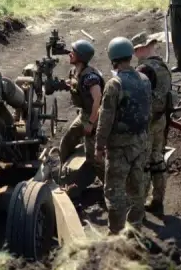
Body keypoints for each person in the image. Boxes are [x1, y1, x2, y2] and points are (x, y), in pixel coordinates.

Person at [95, 37, 152, 234]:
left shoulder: (114, 84)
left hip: (119, 148)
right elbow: (148, 110)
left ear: (113, 59)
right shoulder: (144, 79)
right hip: (140, 142)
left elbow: (105, 119)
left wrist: (99, 146)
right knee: (137, 188)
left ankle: (116, 233)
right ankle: (135, 229)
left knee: (115, 191)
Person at [131, 32, 172, 218]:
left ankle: (138, 203)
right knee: (158, 159)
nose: (135, 54)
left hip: (146, 122)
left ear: (142, 48)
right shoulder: (164, 66)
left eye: (136, 50)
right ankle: (158, 199)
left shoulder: (144, 69)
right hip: (161, 118)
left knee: (144, 163)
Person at [59, 40, 104, 183]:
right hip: (84, 114)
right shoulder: (74, 72)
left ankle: (108, 185)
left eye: (74, 52)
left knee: (93, 157)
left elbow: (98, 100)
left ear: (81, 56)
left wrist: (91, 123)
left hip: (95, 117)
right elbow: (75, 85)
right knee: (67, 141)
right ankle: (64, 177)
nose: (70, 54)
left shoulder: (91, 78)